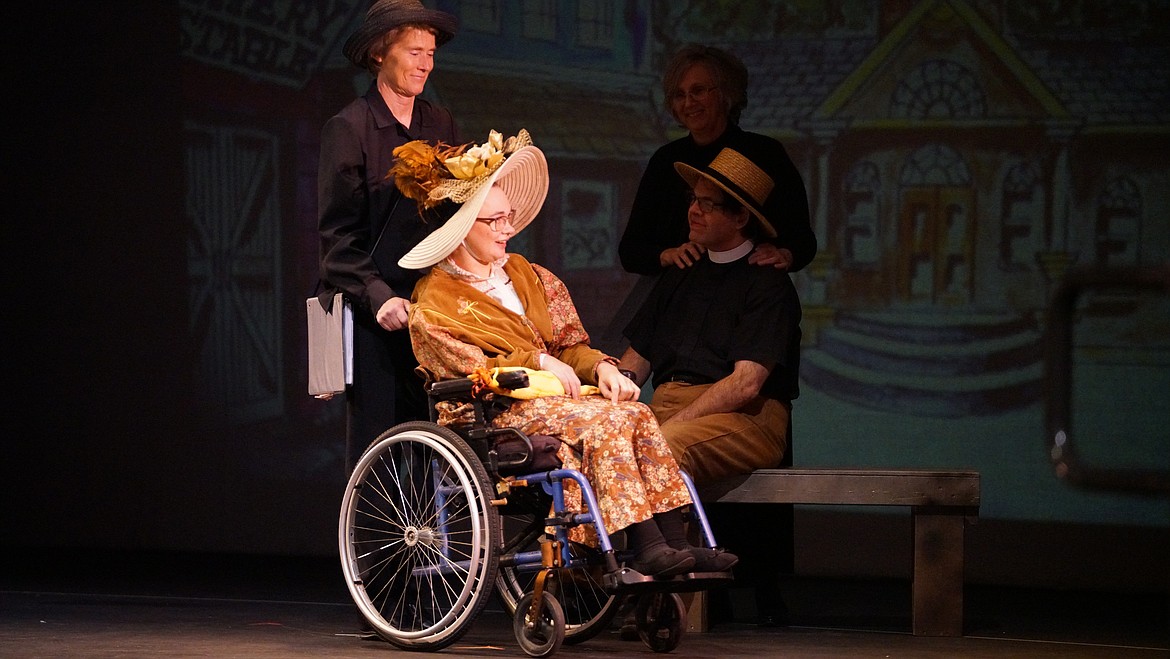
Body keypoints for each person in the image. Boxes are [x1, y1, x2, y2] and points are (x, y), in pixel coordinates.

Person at [393, 129, 738, 577]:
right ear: (461, 228)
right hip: (494, 411)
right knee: (606, 422)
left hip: (557, 401)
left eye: (509, 217)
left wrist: (601, 367)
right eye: (494, 221)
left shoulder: (530, 275)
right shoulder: (436, 302)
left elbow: (569, 345)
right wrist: (534, 361)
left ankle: (677, 542)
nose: (508, 229)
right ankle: (647, 543)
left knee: (635, 412)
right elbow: (467, 367)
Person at [619, 144, 802, 625]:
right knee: (601, 445)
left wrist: (665, 424)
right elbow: (635, 361)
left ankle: (661, 599)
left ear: (741, 217)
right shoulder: (681, 273)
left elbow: (745, 384)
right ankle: (601, 586)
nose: (693, 210)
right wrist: (609, 400)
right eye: (692, 199)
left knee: (666, 445)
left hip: (746, 415)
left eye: (707, 203)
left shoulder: (767, 284)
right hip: (672, 405)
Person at [317, 0, 461, 472]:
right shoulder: (349, 128)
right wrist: (378, 296)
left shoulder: (440, 124)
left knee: (437, 444)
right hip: (373, 310)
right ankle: (374, 544)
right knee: (379, 451)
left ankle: (433, 543)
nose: (425, 63)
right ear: (380, 53)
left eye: (431, 53)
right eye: (414, 51)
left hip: (432, 308)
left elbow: (456, 210)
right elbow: (338, 240)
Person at [618, 43, 816, 276]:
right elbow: (630, 250)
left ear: (726, 93)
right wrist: (665, 254)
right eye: (680, 95)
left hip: (744, 294)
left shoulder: (765, 154)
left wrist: (785, 253)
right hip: (677, 298)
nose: (689, 103)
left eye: (698, 91)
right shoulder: (666, 160)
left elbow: (802, 240)